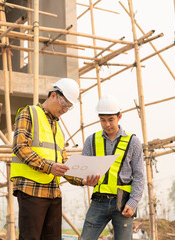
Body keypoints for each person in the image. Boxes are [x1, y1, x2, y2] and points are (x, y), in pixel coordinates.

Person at [11, 78, 100, 240]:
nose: (65, 110)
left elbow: (64, 163)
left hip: (53, 193)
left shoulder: (58, 129)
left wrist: (83, 180)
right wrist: (48, 166)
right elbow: (19, 147)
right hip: (31, 191)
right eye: (64, 104)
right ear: (53, 95)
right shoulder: (28, 113)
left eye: (69, 107)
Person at [80, 95, 145, 240]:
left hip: (123, 204)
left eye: (111, 120)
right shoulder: (91, 141)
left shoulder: (133, 142)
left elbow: (139, 175)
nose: (107, 124)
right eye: (103, 120)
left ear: (119, 117)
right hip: (98, 201)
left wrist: (133, 203)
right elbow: (82, 170)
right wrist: (83, 180)